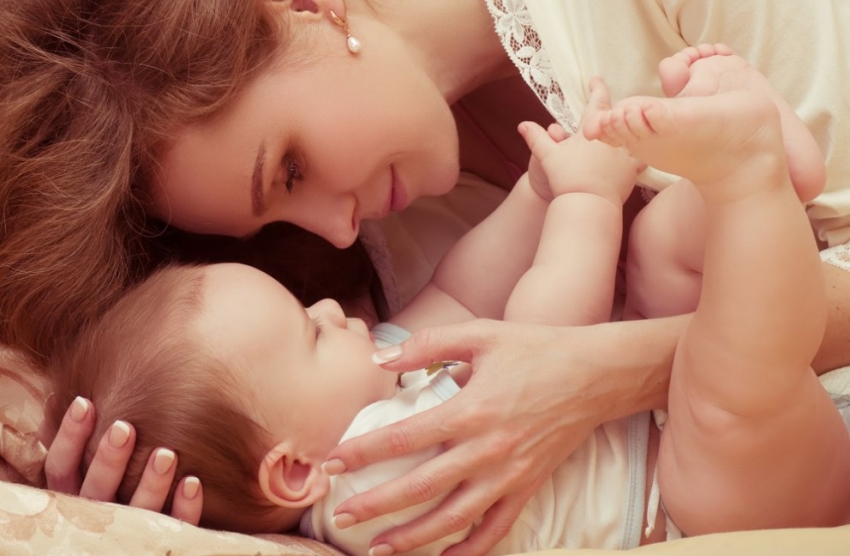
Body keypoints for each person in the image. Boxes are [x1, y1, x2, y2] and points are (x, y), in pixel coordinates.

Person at [3, 0, 845, 549]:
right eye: (275, 222)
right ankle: (753, 182)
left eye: (290, 168)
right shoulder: (362, 473)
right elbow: (535, 329)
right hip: (693, 494)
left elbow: (477, 302)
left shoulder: (355, 369)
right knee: (722, 388)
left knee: (666, 252)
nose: (337, 234)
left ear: (305, 7)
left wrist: (544, 198)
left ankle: (756, 181)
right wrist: (161, 502)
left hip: (717, 426)